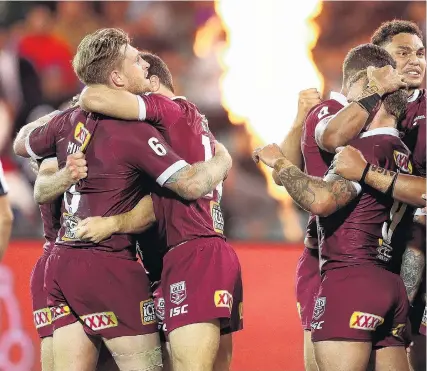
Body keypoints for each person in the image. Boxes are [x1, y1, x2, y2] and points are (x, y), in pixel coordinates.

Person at [13, 28, 231, 371]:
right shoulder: (137, 130)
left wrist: (65, 112)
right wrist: (223, 160)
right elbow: (186, 185)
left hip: (55, 263)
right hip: (108, 262)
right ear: (116, 77)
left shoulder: (62, 123)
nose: (142, 64)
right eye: (134, 60)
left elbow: (21, 144)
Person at [77, 51, 243, 371]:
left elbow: (95, 97)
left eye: (137, 73)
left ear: (153, 82)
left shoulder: (167, 108)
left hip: (192, 251)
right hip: (199, 249)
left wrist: (111, 223)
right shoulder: (190, 123)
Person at [254, 63, 411, 371]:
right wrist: (300, 122)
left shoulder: (356, 142)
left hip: (346, 273)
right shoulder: (402, 149)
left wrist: (280, 164)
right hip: (390, 280)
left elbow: (322, 195)